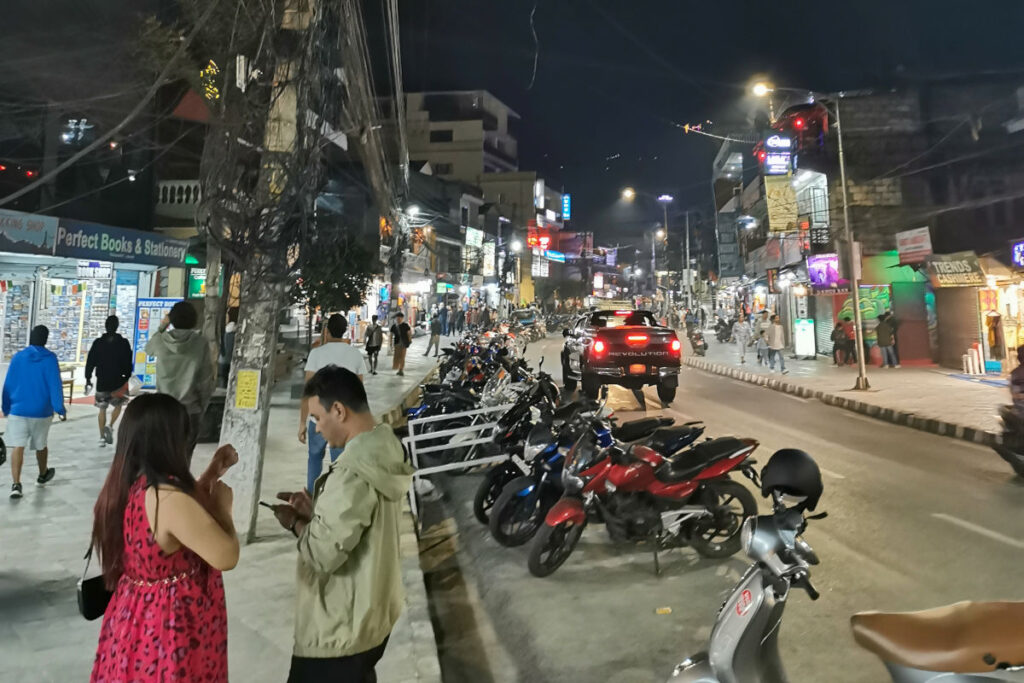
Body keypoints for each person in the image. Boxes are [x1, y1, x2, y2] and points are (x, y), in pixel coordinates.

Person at [272, 366, 414, 683]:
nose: (318, 430)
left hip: (339, 633)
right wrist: (316, 511)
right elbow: (359, 525)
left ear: (338, 410)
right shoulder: (384, 446)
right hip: (372, 617)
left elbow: (322, 554)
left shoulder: (353, 470)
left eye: (318, 419)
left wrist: (294, 522)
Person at [90, 393, 239, 683]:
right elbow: (226, 556)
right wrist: (224, 509)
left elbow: (176, 523)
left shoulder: (129, 484)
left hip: (133, 617)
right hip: (170, 626)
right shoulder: (168, 499)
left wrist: (209, 476)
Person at [301, 313, 367, 494]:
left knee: (314, 459)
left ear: (327, 331)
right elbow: (359, 391)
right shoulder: (355, 355)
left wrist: (301, 423)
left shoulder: (316, 354)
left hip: (318, 420)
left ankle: (311, 497)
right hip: (342, 421)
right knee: (340, 463)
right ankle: (337, 498)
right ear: (345, 331)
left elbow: (307, 391)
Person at [144, 301, 215, 461]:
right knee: (184, 459)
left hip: (163, 411)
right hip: (190, 410)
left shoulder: (160, 341)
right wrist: (202, 407)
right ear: (194, 320)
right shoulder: (200, 343)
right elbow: (205, 381)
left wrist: (162, 326)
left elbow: (148, 349)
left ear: (172, 319)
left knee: (162, 459)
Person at [2, 325, 65, 498]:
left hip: (18, 410)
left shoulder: (18, 358)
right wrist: (60, 408)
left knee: (18, 446)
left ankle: (16, 484)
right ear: (46, 339)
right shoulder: (50, 359)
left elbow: (8, 384)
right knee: (41, 444)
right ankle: (42, 474)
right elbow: (55, 385)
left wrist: (5, 407)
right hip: (42, 411)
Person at [85, 315, 133, 447]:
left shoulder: (98, 343)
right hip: (118, 381)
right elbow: (128, 362)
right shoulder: (123, 343)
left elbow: (90, 361)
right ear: (117, 327)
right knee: (118, 405)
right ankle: (110, 426)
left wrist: (88, 378)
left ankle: (101, 438)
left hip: (102, 381)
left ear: (105, 326)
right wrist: (126, 377)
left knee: (102, 409)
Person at [218, 307, 239, 388]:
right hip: (231, 360)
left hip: (222, 360)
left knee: (223, 379)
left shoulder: (225, 332)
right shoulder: (235, 334)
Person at [390, 312, 412, 376]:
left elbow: (409, 333)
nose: (398, 319)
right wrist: (390, 343)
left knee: (402, 357)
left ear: (402, 318)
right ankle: (398, 368)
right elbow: (391, 335)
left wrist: (410, 340)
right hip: (397, 343)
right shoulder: (394, 326)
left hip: (404, 344)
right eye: (397, 318)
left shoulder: (405, 325)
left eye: (399, 318)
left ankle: (401, 370)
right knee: (397, 356)